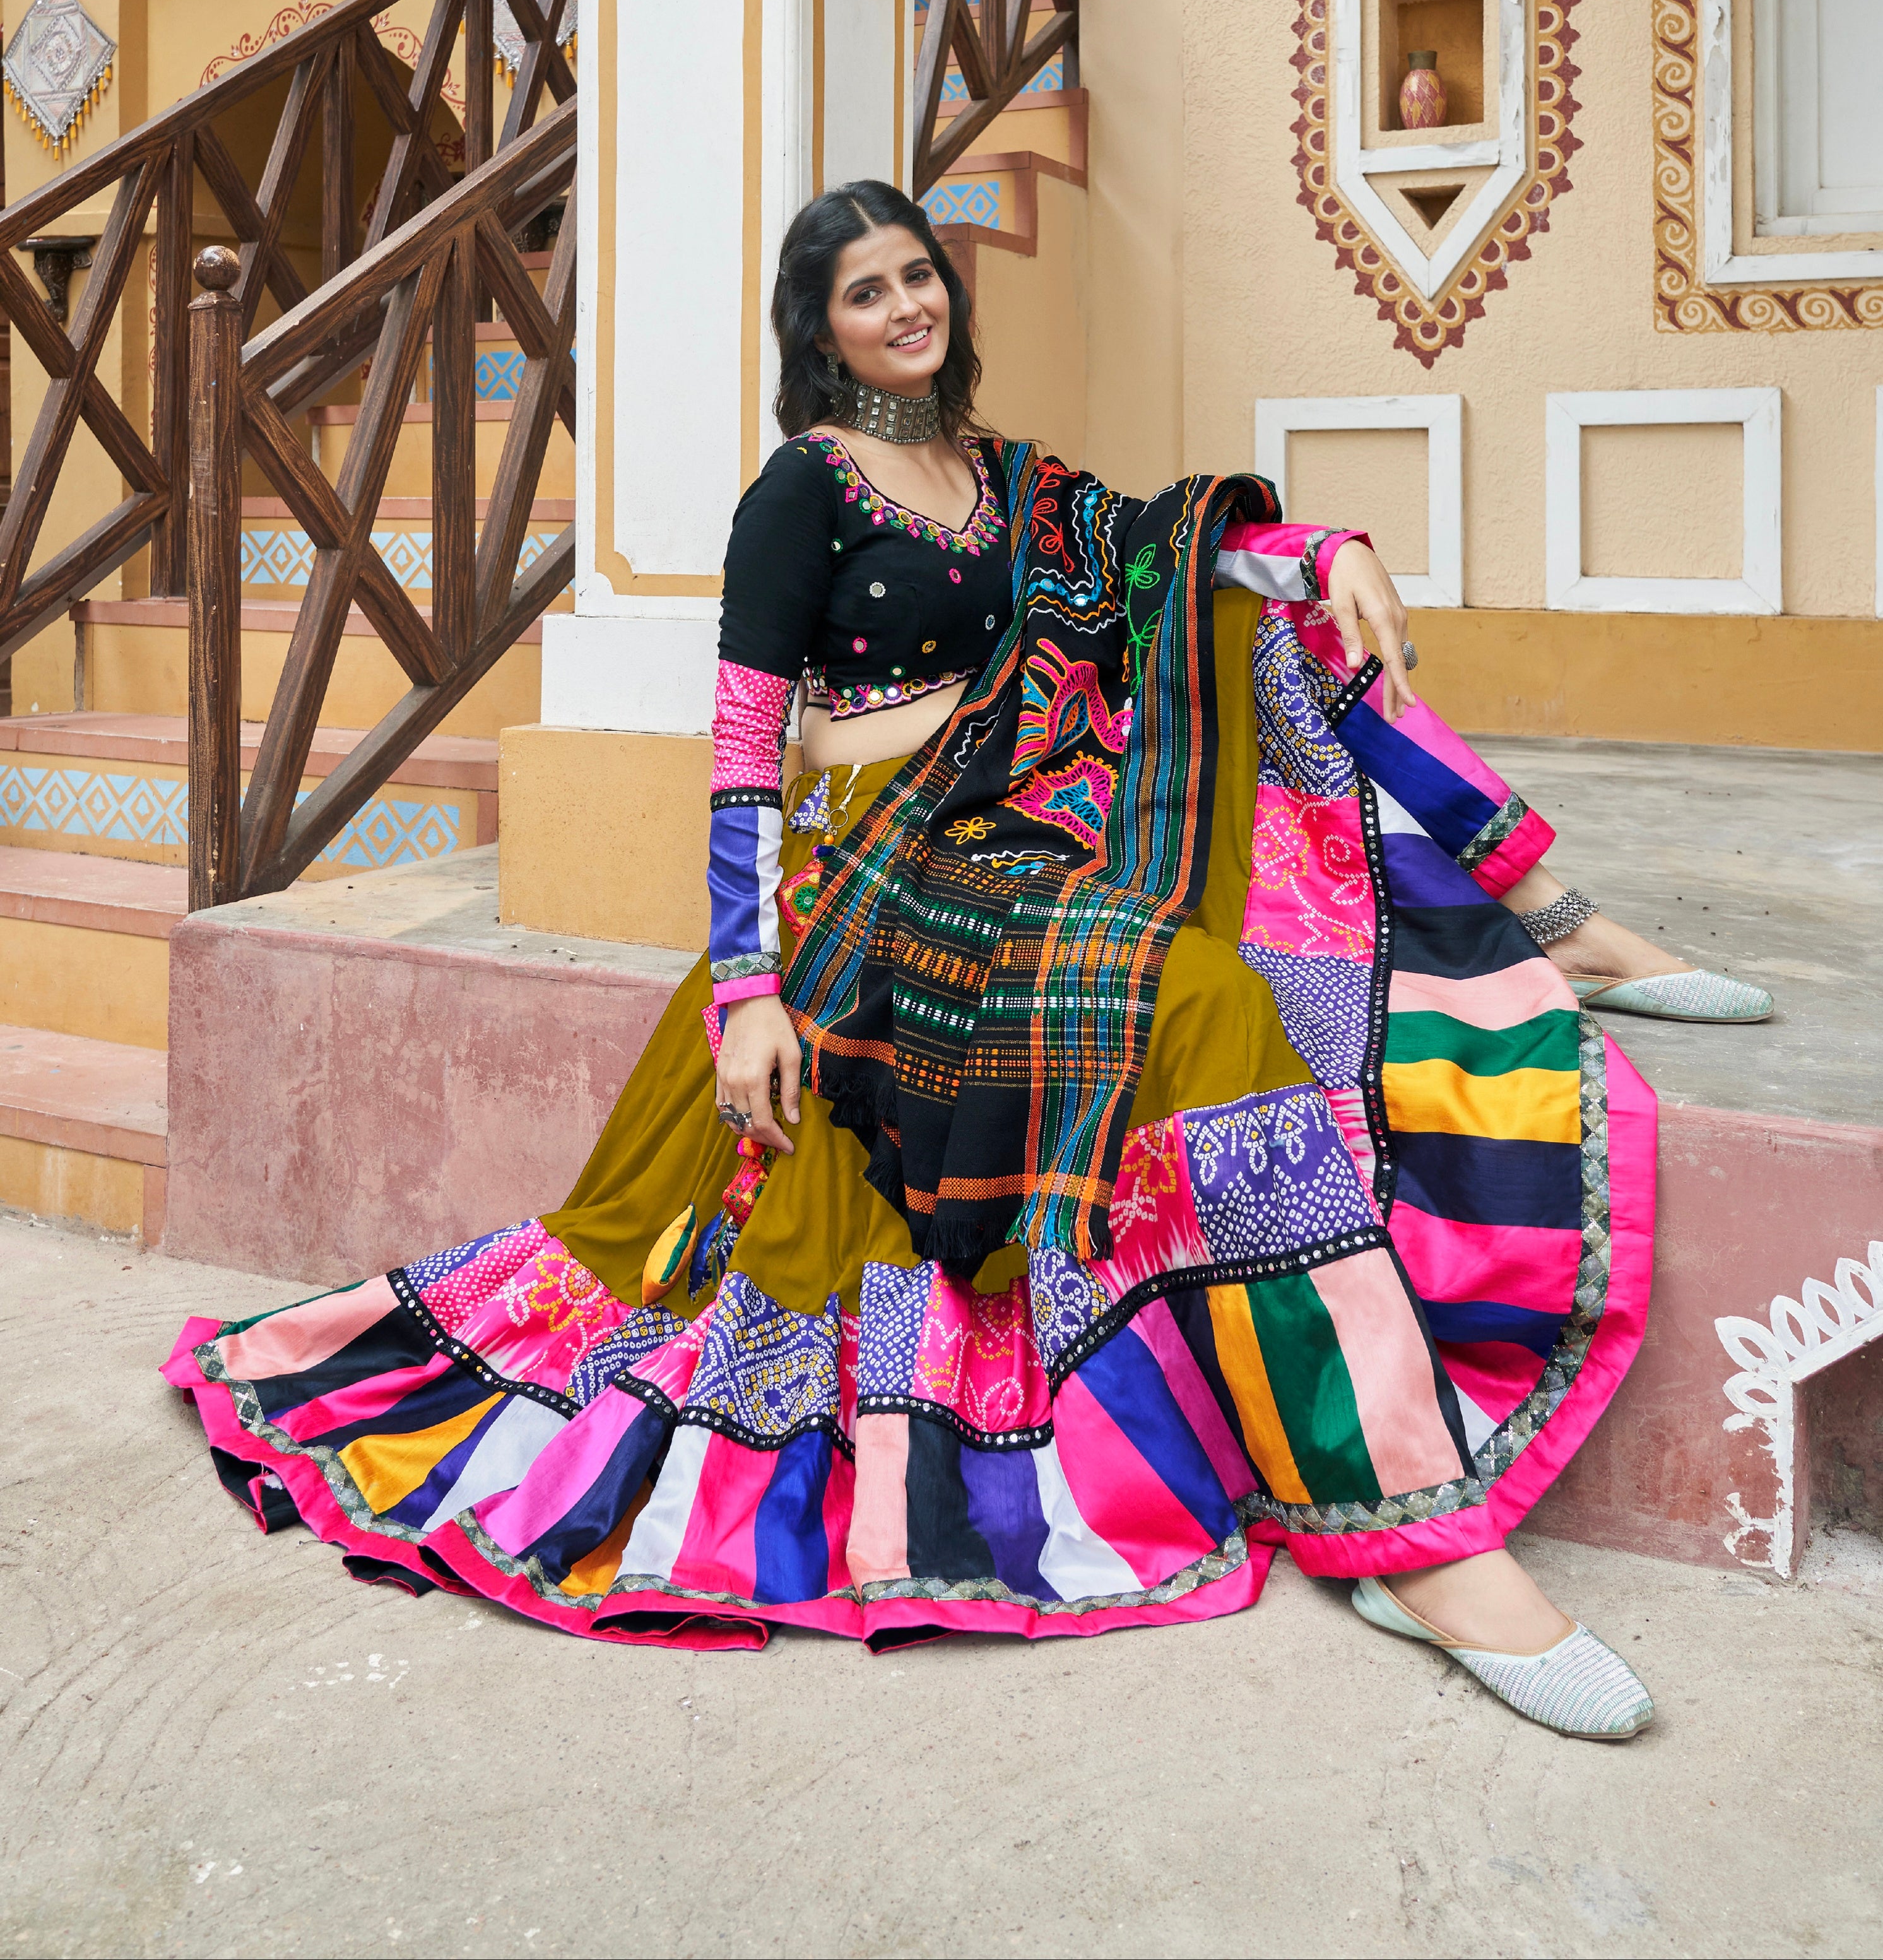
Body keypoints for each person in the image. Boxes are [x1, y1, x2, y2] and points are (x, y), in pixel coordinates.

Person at [164, 180, 1754, 1730]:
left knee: (1260, 620)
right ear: (822, 330)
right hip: (882, 869)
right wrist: (745, 991)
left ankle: (1549, 920)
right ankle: (1414, 1534)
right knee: (1204, 997)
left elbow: (1154, 548)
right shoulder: (802, 490)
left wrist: (1322, 544)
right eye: (865, 291)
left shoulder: (1011, 479)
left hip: (1028, 834)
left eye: (917, 272)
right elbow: (744, 752)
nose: (904, 304)